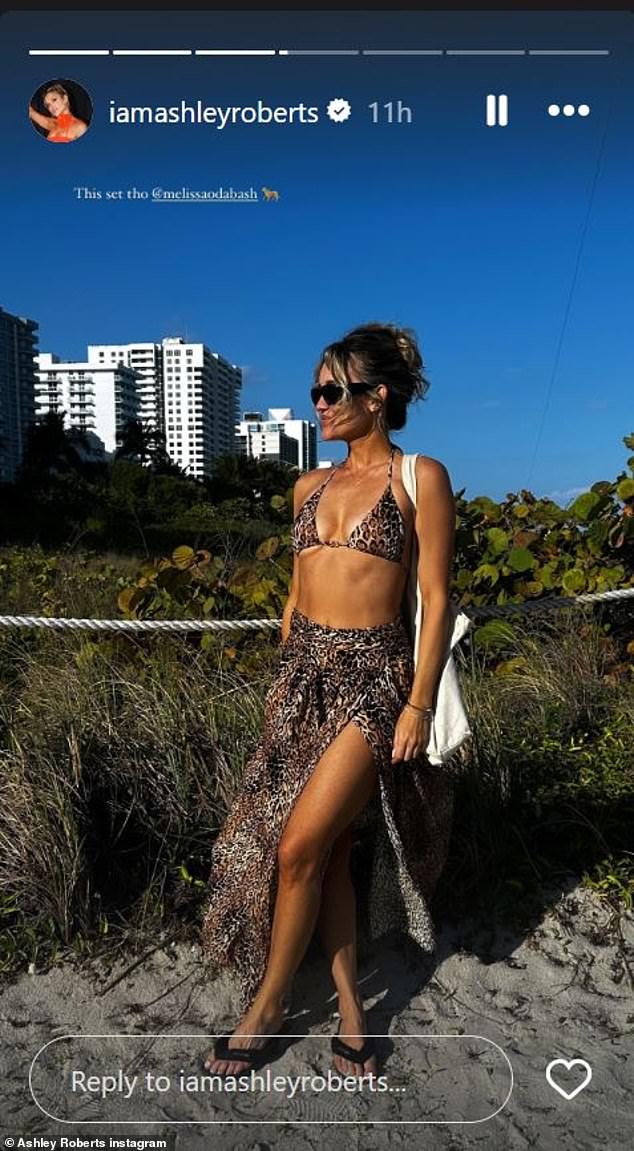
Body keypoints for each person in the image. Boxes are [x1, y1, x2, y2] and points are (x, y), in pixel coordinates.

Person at [201, 321, 456, 1080]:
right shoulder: (307, 486)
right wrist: (290, 643)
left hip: (374, 683)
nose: (318, 403)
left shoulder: (420, 478)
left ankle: (269, 1004)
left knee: (296, 848)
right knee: (333, 851)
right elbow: (298, 587)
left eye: (332, 390)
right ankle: (350, 1006)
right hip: (302, 679)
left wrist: (417, 703)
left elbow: (437, 598)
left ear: (377, 397)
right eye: (314, 389)